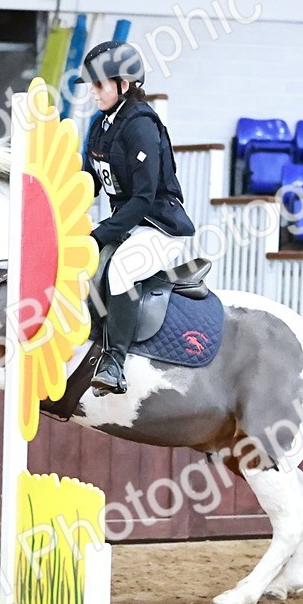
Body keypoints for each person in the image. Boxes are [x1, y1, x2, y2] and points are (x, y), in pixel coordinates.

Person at [76, 40, 195, 396]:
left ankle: (115, 362)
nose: (93, 94)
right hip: (130, 227)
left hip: (159, 228)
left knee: (121, 269)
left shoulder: (140, 126)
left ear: (123, 85)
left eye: (99, 85)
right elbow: (89, 182)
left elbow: (143, 199)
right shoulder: (101, 125)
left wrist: (98, 235)